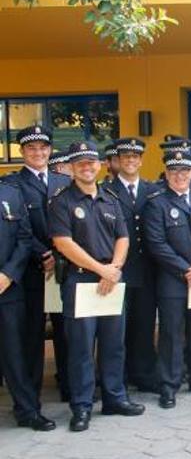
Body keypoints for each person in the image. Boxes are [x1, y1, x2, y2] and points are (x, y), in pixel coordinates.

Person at [48, 141, 145, 432]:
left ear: (100, 165)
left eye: (91, 162)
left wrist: (113, 269)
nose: (87, 167)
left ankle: (115, 397)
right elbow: (62, 243)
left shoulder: (111, 198)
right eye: (80, 163)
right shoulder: (62, 201)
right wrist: (100, 269)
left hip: (111, 279)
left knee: (114, 343)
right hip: (80, 280)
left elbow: (123, 238)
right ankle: (82, 406)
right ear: (72, 168)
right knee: (80, 347)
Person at [144, 149, 191, 409]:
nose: (180, 176)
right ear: (166, 174)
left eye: (185, 171)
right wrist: (187, 269)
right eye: (174, 171)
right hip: (173, 280)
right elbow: (156, 244)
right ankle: (169, 385)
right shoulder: (157, 203)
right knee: (171, 334)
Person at [1, 125, 71, 404]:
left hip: (63, 270)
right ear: (22, 152)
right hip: (30, 272)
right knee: (30, 338)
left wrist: (60, 254)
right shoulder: (11, 185)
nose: (38, 153)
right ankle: (31, 397)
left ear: (50, 151)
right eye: (32, 148)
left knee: (67, 333)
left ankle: (70, 387)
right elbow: (19, 230)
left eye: (43, 148)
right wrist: (43, 254)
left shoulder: (62, 182)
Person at [103, 138, 160, 392]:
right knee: (116, 329)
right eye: (125, 156)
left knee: (144, 323)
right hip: (118, 269)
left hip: (147, 269)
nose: (130, 161)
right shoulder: (106, 191)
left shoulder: (152, 190)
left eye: (135, 156)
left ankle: (144, 374)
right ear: (118, 160)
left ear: (140, 160)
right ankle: (118, 378)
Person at [0, 176, 55, 430]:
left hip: (7, 288)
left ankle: (27, 410)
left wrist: (9, 273)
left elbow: (23, 238)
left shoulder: (10, 194)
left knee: (15, 353)